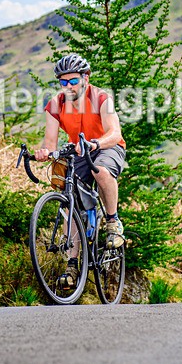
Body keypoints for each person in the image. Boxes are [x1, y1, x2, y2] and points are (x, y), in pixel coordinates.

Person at [34, 54, 127, 289]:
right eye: (63, 82)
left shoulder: (101, 98)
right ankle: (73, 264)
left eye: (73, 81)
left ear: (86, 78)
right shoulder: (55, 104)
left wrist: (96, 143)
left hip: (107, 146)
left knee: (101, 171)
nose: (68, 87)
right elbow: (50, 142)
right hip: (79, 149)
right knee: (68, 200)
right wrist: (45, 152)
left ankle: (113, 222)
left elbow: (115, 133)